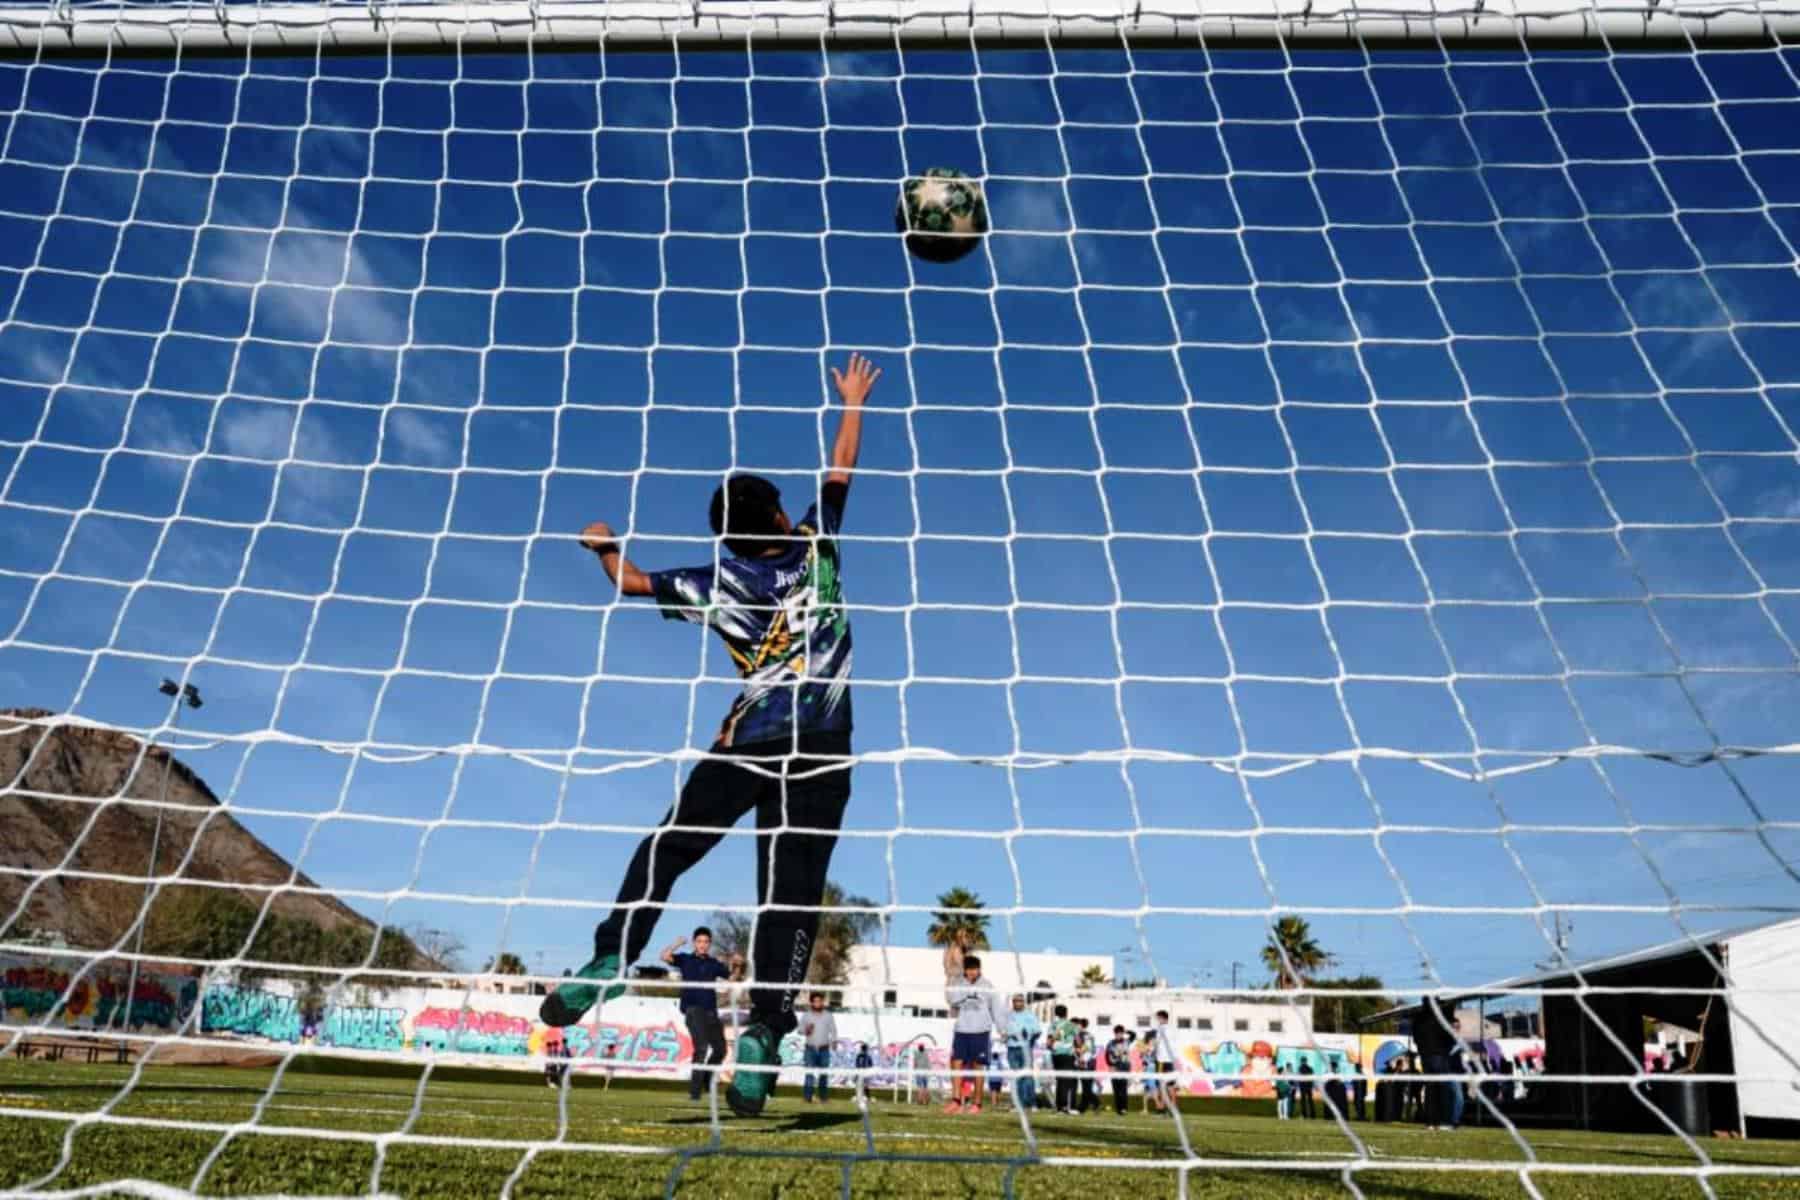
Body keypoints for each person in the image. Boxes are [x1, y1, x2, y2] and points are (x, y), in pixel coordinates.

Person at [538, 354, 879, 1119]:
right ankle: (763, 1028)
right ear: (781, 518)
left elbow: (629, 583)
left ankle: (612, 954)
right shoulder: (819, 549)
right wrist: (852, 400)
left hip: (746, 741)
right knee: (788, 892)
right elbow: (842, 465)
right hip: (821, 748)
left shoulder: (717, 580)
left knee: (671, 845)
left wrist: (602, 546)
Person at [661, 928, 731, 1102]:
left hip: (711, 1011)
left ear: (709, 944)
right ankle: (695, 1092)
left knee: (720, 1049)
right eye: (699, 941)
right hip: (693, 1009)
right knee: (701, 1048)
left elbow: (731, 976)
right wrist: (677, 944)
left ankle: (707, 1080)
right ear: (694, 942)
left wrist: (737, 964)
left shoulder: (714, 963)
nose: (702, 945)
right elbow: (664, 956)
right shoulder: (685, 959)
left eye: (706, 942)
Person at [945, 953, 1007, 1114]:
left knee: (978, 1067)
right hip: (961, 1030)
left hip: (981, 1031)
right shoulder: (958, 983)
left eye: (975, 969)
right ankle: (956, 1101)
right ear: (964, 970)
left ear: (979, 969)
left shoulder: (987, 986)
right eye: (969, 969)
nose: (972, 972)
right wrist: (965, 990)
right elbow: (951, 1000)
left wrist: (1002, 1029)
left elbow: (997, 1010)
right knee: (956, 1064)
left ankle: (977, 1103)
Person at [1004, 994, 1041, 1112]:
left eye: (1020, 1001)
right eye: (1016, 1001)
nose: (1018, 1003)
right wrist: (1009, 1035)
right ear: (1013, 1002)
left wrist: (1030, 1039)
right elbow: (1003, 1032)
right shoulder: (1008, 1016)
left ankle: (1031, 1103)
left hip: (1025, 1048)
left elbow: (1038, 1031)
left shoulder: (1030, 1015)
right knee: (1017, 1077)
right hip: (1012, 1048)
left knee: (1027, 1076)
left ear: (1024, 1003)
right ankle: (1018, 1104)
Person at [800, 991, 837, 1104]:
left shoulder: (828, 1015)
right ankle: (807, 1097)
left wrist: (834, 1041)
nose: (818, 1003)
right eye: (815, 1001)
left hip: (824, 1049)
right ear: (811, 1003)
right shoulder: (806, 1015)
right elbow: (800, 1030)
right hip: (810, 1048)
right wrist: (807, 1030)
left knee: (823, 1075)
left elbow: (833, 1030)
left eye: (820, 1001)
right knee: (809, 1074)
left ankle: (823, 1097)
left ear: (822, 1002)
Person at [1049, 1005, 1079, 1114]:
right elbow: (1078, 1041)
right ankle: (1064, 1106)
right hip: (1068, 1055)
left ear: (1056, 1013)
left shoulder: (1053, 1025)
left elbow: (1049, 1042)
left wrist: (1054, 1047)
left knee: (1059, 1080)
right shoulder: (1072, 1025)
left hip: (1056, 1055)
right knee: (1066, 1081)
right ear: (1066, 1013)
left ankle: (1059, 1107)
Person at [1150, 1010, 1178, 1113]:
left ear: (1162, 1018)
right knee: (1171, 1085)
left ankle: (1161, 1107)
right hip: (1171, 1060)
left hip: (1161, 1059)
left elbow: (1156, 1043)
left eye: (1158, 1018)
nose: (1157, 1020)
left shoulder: (1160, 1029)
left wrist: (1150, 1049)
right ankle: (1173, 1107)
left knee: (1161, 1084)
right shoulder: (1172, 1029)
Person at [1105, 1025, 1134, 1115]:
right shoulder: (1111, 1043)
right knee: (1116, 1089)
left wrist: (1126, 1031)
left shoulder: (1127, 1041)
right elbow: (1106, 1055)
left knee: (1123, 1089)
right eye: (1117, 1033)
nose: (1119, 1035)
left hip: (1125, 1067)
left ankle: (1124, 1108)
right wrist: (1110, 1066)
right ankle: (1118, 1109)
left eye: (1121, 1033)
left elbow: (1133, 1035)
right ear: (1115, 1034)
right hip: (1115, 1067)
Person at [1074, 1019, 1099, 1114]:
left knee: (1087, 1086)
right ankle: (1084, 1107)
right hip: (1086, 1062)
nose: (1076, 1027)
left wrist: (1082, 1058)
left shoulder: (1085, 1035)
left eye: (1078, 1025)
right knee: (1086, 1085)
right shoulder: (1082, 1035)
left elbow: (1087, 1048)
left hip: (1087, 1062)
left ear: (1082, 1025)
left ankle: (1094, 1103)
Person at [911, 1041, 933, 1105]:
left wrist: (914, 1070)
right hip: (925, 1072)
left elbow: (914, 1064)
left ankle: (920, 1100)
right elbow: (929, 1064)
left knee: (920, 1087)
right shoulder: (926, 1054)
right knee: (926, 1087)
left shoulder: (916, 1053)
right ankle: (926, 1100)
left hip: (919, 1072)